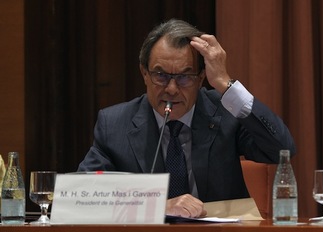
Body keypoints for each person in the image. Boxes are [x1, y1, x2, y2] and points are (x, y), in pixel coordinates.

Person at [78, 18, 296, 218]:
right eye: (160, 75)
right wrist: (158, 206)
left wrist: (225, 84)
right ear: (144, 73)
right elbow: (82, 196)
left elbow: (281, 150)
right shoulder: (115, 123)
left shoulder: (225, 112)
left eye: (184, 77)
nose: (171, 89)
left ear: (201, 78)